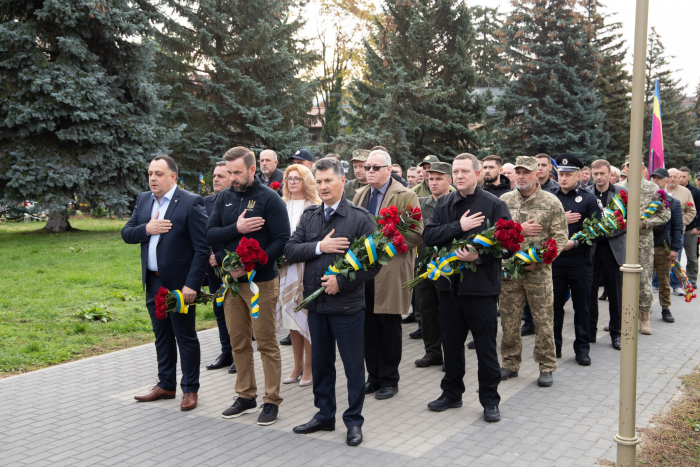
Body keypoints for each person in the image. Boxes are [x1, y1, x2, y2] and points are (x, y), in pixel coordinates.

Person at [285, 157, 380, 447]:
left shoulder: (360, 218)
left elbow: (374, 263)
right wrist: (319, 246)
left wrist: (343, 281)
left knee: (352, 367)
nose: (323, 186)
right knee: (322, 364)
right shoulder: (311, 215)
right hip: (316, 306)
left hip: (348, 307)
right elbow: (290, 249)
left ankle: (353, 422)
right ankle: (324, 415)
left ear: (343, 181)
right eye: (320, 181)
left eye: (329, 180)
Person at [206, 146, 290, 426]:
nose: (232, 178)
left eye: (237, 172)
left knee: (266, 342)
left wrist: (255, 264)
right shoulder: (224, 198)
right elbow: (211, 233)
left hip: (261, 284)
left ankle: (271, 400)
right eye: (229, 172)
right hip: (231, 284)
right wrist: (237, 230)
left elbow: (281, 240)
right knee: (238, 341)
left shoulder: (270, 198)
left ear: (253, 170)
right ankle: (245, 395)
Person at [422, 154, 510, 422]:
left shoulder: (494, 205)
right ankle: (452, 393)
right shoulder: (445, 203)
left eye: (464, 171)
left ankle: (490, 400)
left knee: (485, 348)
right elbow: (429, 236)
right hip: (449, 289)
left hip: (481, 290)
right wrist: (458, 226)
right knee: (451, 345)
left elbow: (508, 245)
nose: (459, 176)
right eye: (456, 172)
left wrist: (479, 257)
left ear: (478, 173)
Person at [122, 155, 208, 411]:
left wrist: (192, 285)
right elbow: (127, 233)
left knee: (185, 336)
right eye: (150, 173)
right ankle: (166, 384)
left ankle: (190, 389)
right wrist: (147, 229)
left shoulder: (191, 202)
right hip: (153, 283)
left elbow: (202, 249)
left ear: (173, 177)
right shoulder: (144, 199)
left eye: (158, 174)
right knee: (161, 335)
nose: (152, 178)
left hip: (180, 286)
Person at [353, 149, 423, 400]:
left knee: (389, 325)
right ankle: (373, 377)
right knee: (368, 327)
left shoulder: (406, 196)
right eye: (366, 167)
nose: (368, 171)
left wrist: (384, 244)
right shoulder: (360, 194)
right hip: (364, 272)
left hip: (390, 270)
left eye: (374, 168)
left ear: (389, 169)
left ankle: (389, 379)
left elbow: (416, 234)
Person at [499, 156, 568, 388]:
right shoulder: (505, 200)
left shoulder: (551, 202)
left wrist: (541, 260)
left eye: (526, 172)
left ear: (536, 174)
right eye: (517, 172)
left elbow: (560, 237)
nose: (521, 176)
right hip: (509, 272)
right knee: (509, 320)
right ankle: (509, 363)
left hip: (539, 272)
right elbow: (497, 233)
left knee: (543, 320)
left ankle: (546, 366)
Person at [277, 164, 321, 387]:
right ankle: (296, 364)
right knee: (290, 318)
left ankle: (310, 367)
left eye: (296, 178)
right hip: (285, 268)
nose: (291, 182)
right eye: (288, 178)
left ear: (306, 181)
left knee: (305, 317)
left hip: (305, 267)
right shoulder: (281, 205)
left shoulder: (314, 206)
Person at [551, 154, 598, 365]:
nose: (563, 178)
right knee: (554, 305)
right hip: (556, 260)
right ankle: (555, 347)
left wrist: (575, 243)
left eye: (568, 174)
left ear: (578, 175)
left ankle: (582, 349)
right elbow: (541, 226)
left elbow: (596, 230)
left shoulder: (588, 199)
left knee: (582, 306)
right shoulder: (550, 197)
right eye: (560, 174)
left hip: (580, 260)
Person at [618, 157, 670, 335]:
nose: (631, 169)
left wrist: (645, 223)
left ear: (643, 169)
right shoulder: (618, 188)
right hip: (621, 241)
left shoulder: (652, 188)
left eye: (636, 166)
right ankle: (619, 318)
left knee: (644, 279)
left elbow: (665, 214)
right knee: (619, 280)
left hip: (643, 242)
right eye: (628, 166)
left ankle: (644, 319)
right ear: (624, 167)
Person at [413, 162, 453, 368]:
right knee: (426, 311)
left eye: (439, 178)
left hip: (448, 268)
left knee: (447, 312)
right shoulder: (420, 203)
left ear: (449, 180)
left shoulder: (456, 203)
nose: (434, 182)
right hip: (423, 267)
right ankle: (432, 352)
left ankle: (450, 353)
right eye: (431, 178)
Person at [585, 160, 627, 349]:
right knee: (589, 292)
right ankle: (590, 331)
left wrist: (603, 231)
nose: (599, 177)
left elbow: (626, 221)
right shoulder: (586, 193)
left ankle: (616, 333)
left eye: (602, 173)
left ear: (610, 174)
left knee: (616, 294)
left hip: (613, 249)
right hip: (591, 249)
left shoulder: (621, 194)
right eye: (596, 174)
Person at [204, 161, 236, 373]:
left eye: (220, 176)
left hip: (233, 267)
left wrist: (221, 256)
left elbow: (237, 234)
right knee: (218, 311)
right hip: (211, 268)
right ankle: (226, 351)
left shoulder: (238, 202)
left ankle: (238, 354)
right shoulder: (205, 202)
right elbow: (201, 232)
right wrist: (206, 254)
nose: (215, 179)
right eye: (214, 175)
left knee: (236, 313)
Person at [651, 168, 683, 323]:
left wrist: (675, 248)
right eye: (654, 178)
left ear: (666, 180)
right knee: (644, 281)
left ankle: (665, 308)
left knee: (664, 280)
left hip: (663, 248)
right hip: (646, 246)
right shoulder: (646, 200)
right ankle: (644, 307)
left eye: (659, 178)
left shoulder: (673, 203)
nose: (656, 180)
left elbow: (677, 227)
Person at [666, 168, 696, 295]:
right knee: (658, 258)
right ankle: (655, 283)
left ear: (679, 178)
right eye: (670, 176)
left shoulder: (685, 192)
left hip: (678, 232)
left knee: (674, 258)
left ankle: (676, 285)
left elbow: (692, 211)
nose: (672, 179)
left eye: (675, 177)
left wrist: (679, 222)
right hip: (660, 231)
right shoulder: (659, 190)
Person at [678, 167, 700, 287]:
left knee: (691, 256)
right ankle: (677, 280)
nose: (681, 179)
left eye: (684, 177)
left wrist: (698, 227)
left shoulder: (695, 192)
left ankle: (692, 279)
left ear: (688, 177)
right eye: (679, 176)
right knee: (676, 256)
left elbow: (699, 210)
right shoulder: (675, 190)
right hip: (677, 229)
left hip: (690, 229)